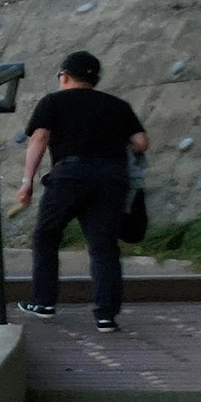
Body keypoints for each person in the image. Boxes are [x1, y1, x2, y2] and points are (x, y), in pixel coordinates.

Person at [16, 50, 147, 332]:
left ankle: (44, 302)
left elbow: (39, 139)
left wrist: (27, 181)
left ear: (64, 76)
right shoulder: (117, 105)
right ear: (95, 79)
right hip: (111, 178)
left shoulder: (52, 102)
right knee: (103, 245)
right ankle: (105, 316)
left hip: (70, 176)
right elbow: (140, 142)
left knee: (47, 235)